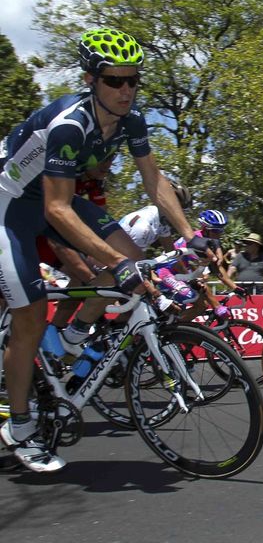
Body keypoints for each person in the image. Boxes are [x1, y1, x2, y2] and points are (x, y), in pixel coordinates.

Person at [0, 28, 210, 472]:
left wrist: (190, 235)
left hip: (47, 198)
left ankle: (72, 338)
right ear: (90, 79)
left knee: (135, 265)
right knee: (31, 314)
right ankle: (19, 427)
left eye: (133, 80)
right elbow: (58, 211)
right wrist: (115, 261)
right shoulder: (69, 125)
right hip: (9, 207)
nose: (126, 90)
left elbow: (155, 182)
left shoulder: (132, 121)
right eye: (115, 81)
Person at [118, 181, 193, 251]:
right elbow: (131, 259)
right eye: (180, 212)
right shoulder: (144, 227)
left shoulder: (161, 218)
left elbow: (171, 252)